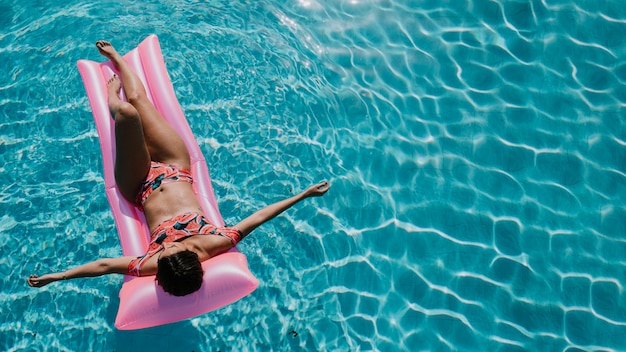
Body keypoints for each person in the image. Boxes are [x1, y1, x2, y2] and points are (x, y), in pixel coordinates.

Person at [26, 41, 330, 296]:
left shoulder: (151, 263)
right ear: (193, 259)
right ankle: (117, 58)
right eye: (175, 253)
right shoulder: (216, 243)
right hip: (176, 166)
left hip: (139, 184)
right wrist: (303, 195)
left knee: (128, 115)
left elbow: (104, 266)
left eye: (165, 255)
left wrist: (57, 277)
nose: (168, 249)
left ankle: (110, 96)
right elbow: (261, 216)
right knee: (139, 101)